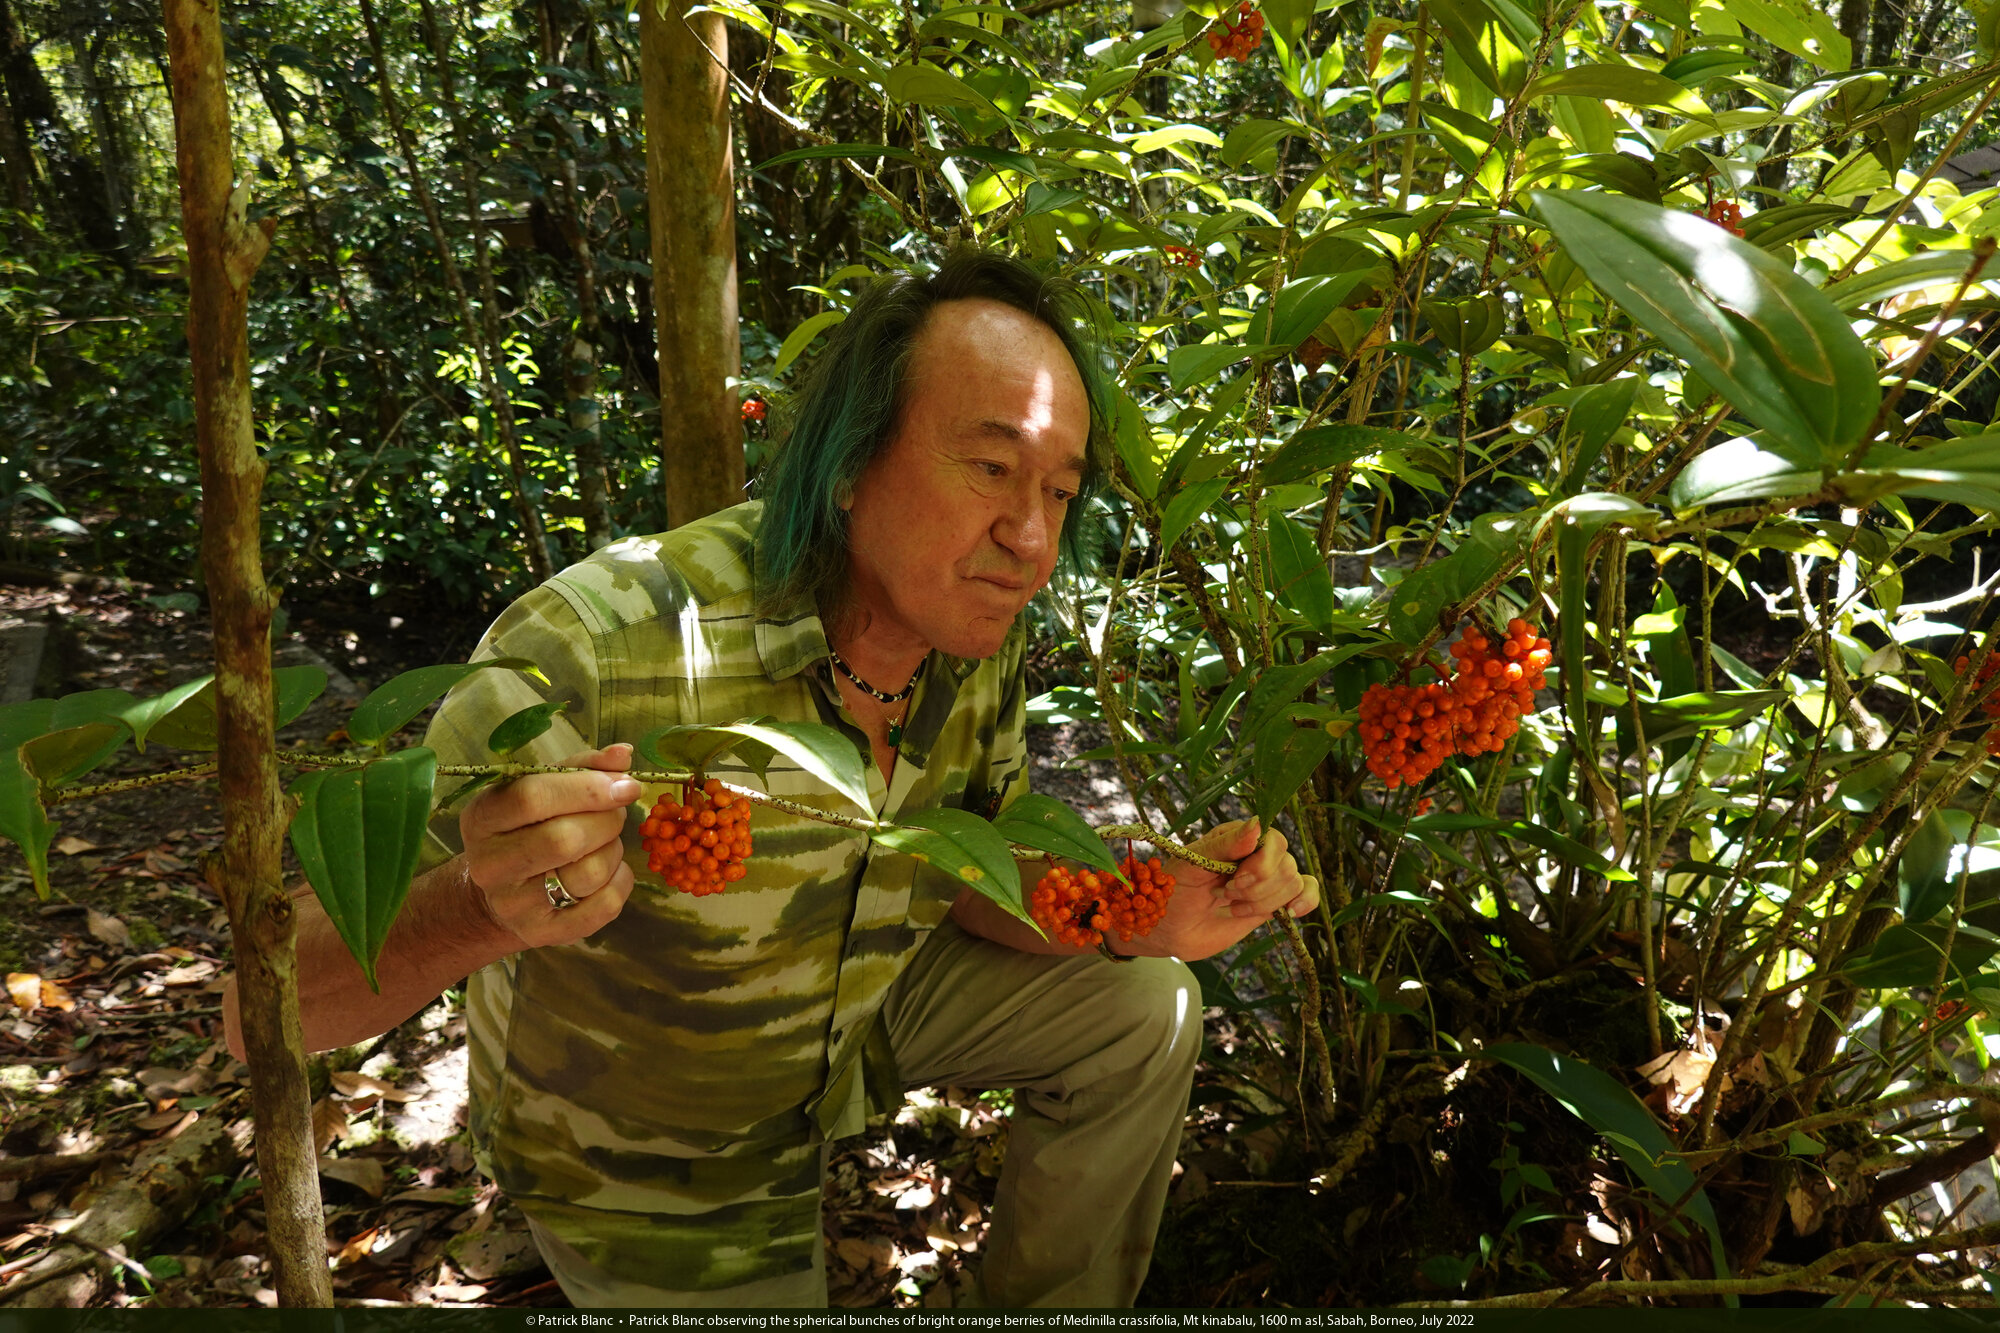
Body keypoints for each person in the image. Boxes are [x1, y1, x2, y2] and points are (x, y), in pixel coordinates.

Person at [225, 249, 1318, 1307]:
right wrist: (476, 903)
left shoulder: (971, 637)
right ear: (848, 463)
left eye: (1061, 491)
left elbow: (964, 882)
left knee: (1142, 1003)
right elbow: (259, 1010)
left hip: (856, 1014)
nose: (1029, 536)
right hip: (647, 1141)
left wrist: (1128, 910)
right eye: (990, 467)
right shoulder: (599, 646)